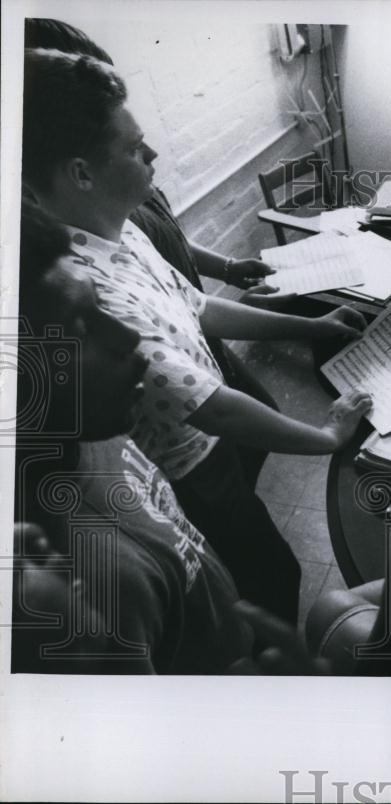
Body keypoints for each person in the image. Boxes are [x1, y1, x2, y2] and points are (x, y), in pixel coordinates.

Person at [21, 48, 373, 625]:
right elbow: (217, 410)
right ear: (81, 173)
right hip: (193, 472)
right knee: (271, 575)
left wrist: (311, 324)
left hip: (211, 453)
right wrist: (327, 435)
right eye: (135, 149)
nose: (154, 153)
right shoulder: (90, 293)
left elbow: (199, 306)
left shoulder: (119, 227)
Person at [24, 17, 284, 483]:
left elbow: (172, 241)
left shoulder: (125, 194)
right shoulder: (95, 210)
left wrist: (224, 264)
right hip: (181, 378)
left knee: (251, 443)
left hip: (190, 330)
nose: (151, 156)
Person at [12, 202, 252, 674]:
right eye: (79, 327)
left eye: (100, 305)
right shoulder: (95, 587)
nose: (127, 339)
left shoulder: (89, 426)